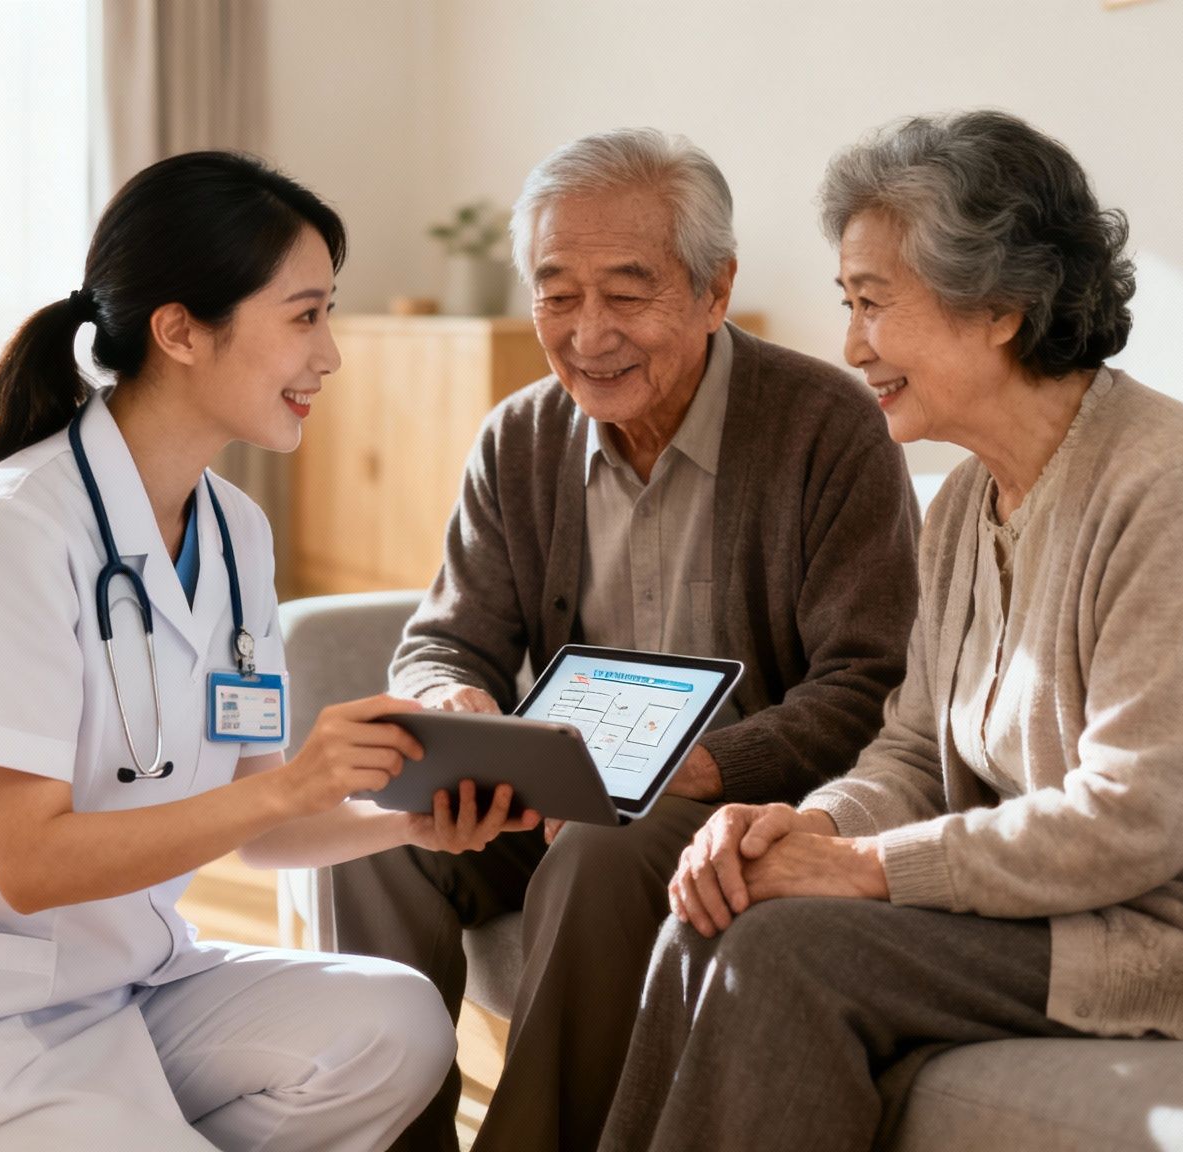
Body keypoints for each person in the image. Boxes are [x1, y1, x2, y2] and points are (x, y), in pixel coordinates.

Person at [605, 110, 1183, 1151]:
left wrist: (866, 870)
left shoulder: (1173, 488)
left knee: (791, 951)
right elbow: (910, 750)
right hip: (1067, 909)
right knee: (710, 916)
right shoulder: (960, 507)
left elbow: (1130, 821)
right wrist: (811, 828)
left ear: (998, 309)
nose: (850, 347)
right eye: (848, 305)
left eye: (873, 305)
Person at [0, 152, 538, 1152]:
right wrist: (289, 789)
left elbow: (258, 824)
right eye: (304, 315)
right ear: (180, 330)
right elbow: (27, 863)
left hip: (129, 992)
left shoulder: (235, 533)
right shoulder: (14, 531)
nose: (328, 355)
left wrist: (404, 827)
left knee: (395, 1025)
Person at [329, 128, 920, 1152]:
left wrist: (706, 764)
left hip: (724, 799)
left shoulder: (826, 425)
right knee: (374, 835)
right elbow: (446, 638)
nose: (585, 332)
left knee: (607, 846)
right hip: (554, 786)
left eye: (626, 292)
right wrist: (453, 700)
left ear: (713, 290)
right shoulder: (519, 435)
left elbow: (871, 681)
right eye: (556, 293)